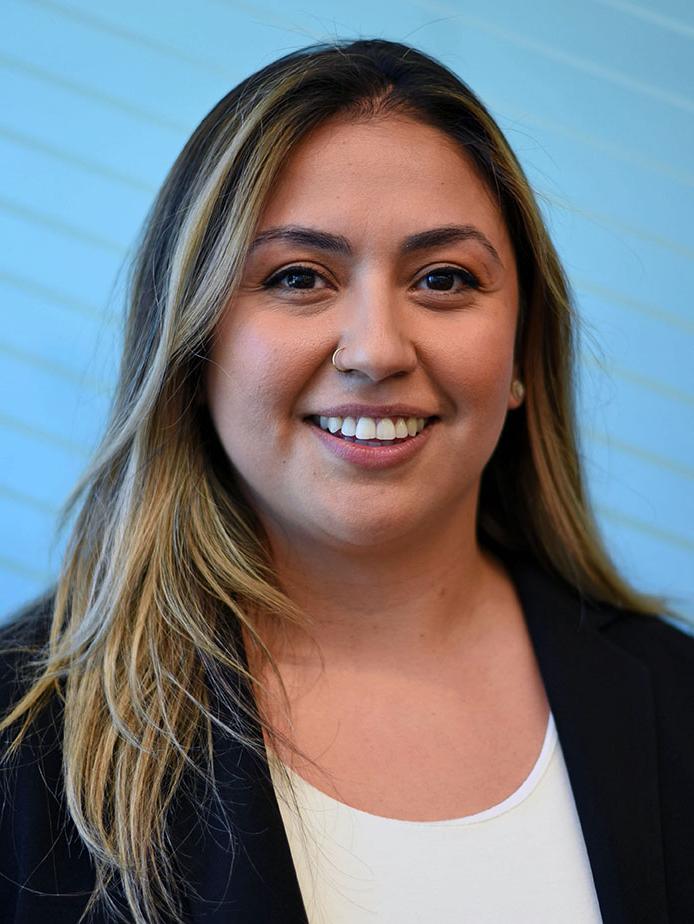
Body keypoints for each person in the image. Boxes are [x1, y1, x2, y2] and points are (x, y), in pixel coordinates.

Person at [0, 36, 692, 924]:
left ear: (522, 352)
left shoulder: (678, 703)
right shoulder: (23, 738)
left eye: (444, 279)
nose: (375, 350)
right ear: (195, 347)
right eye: (297, 277)